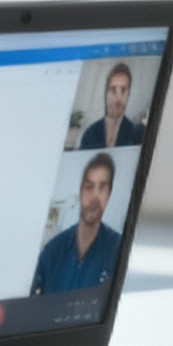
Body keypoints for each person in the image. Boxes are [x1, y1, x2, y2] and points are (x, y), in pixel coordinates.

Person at [31, 154, 122, 295]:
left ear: (108, 194)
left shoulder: (119, 251)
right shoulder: (52, 251)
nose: (94, 197)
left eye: (102, 188)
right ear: (80, 192)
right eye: (89, 186)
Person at [78, 62, 145, 149]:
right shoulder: (90, 133)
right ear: (106, 93)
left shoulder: (136, 135)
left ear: (128, 95)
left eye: (123, 91)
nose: (118, 98)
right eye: (113, 90)